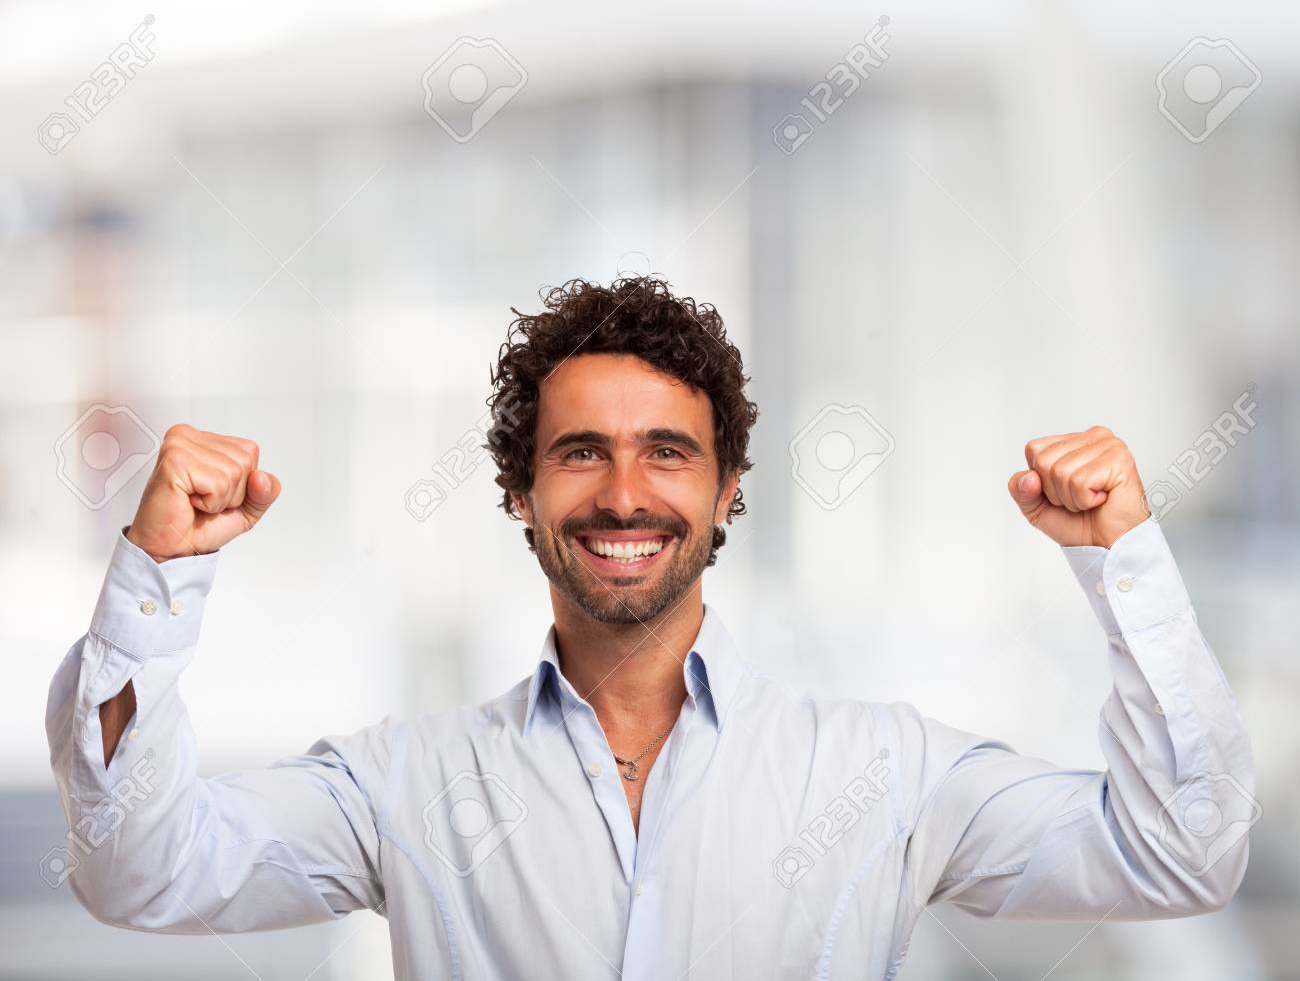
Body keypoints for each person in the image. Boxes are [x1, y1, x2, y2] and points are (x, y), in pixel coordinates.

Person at [46, 277, 1254, 980]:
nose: (625, 492)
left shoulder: (886, 773)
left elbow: (1178, 855)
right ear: (520, 489)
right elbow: (139, 869)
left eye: (666, 452)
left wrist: (1121, 566)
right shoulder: (401, 784)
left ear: (727, 488)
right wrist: (157, 573)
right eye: (582, 451)